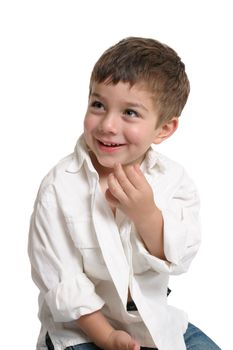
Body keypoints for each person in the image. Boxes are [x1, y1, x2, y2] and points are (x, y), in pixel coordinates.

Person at [28, 37, 221, 350]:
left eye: (130, 113)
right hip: (81, 329)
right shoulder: (60, 187)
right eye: (98, 105)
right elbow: (61, 279)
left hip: (151, 321)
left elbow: (182, 256)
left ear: (163, 129)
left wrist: (147, 215)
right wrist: (107, 338)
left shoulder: (173, 180)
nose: (107, 124)